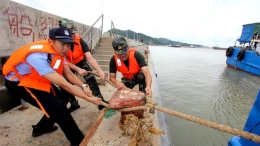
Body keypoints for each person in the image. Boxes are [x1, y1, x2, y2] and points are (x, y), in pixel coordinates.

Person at [3, 27, 102, 146]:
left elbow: (69, 74)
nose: (66, 48)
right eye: (62, 44)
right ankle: (79, 142)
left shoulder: (59, 51)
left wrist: (83, 85)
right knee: (58, 106)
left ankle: (41, 128)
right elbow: (65, 84)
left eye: (68, 45)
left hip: (36, 78)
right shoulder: (38, 57)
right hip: (19, 82)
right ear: (51, 42)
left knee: (63, 100)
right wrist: (89, 99)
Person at [58, 18, 108, 111]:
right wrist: (77, 69)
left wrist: (100, 71)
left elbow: (89, 57)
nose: (73, 35)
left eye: (73, 32)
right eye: (70, 33)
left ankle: (100, 101)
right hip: (67, 64)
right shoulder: (58, 43)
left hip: (79, 61)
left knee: (91, 78)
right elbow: (63, 61)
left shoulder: (79, 39)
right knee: (65, 85)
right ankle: (74, 103)